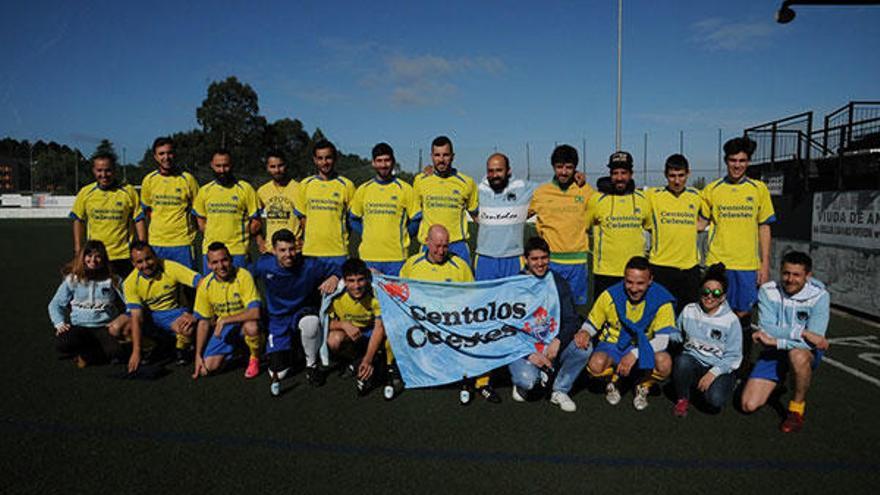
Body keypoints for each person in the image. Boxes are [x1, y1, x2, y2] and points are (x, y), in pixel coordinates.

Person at [399, 224, 500, 404]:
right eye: (437, 245)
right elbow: (400, 295)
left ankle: (480, 382)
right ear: (426, 242)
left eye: (445, 246)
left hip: (453, 325)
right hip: (423, 326)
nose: (441, 251)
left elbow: (472, 301)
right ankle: (395, 372)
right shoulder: (412, 265)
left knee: (485, 334)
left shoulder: (460, 266)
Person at [701, 136, 776, 373]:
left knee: (742, 316)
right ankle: (711, 363)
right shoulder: (712, 189)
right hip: (718, 263)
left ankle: (740, 367)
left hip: (746, 265)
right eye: (733, 160)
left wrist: (764, 265)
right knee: (714, 313)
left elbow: (764, 226)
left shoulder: (758, 189)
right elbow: (700, 223)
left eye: (742, 161)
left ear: (748, 162)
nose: (737, 165)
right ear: (726, 161)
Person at [741, 251, 830, 433]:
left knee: (796, 356)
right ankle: (779, 379)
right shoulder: (768, 291)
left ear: (808, 276)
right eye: (786, 273)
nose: (790, 279)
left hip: (802, 351)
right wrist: (802, 332)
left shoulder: (820, 296)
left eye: (796, 275)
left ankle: (796, 410)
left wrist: (777, 342)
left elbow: (812, 343)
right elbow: (767, 329)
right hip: (776, 349)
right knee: (748, 405)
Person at [508, 237, 593, 412]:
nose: (540, 263)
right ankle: (522, 380)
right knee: (529, 382)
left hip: (551, 342)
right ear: (526, 259)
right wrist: (529, 352)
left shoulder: (558, 282)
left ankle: (560, 389)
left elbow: (572, 319)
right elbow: (509, 328)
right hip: (526, 348)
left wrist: (559, 340)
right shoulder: (515, 285)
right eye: (535, 259)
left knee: (584, 348)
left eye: (544, 258)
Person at [249, 229, 340, 387]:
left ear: (297, 247)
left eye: (291, 249)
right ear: (274, 251)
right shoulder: (264, 265)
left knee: (311, 323)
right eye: (282, 250)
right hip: (277, 319)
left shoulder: (310, 265)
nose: (288, 254)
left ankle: (311, 365)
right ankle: (295, 348)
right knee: (278, 373)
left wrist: (334, 276)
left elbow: (341, 267)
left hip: (302, 312)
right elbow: (244, 276)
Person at [585, 256, 676, 411]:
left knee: (664, 364)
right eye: (629, 282)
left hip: (643, 346)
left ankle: (642, 384)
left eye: (640, 283)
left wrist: (634, 354)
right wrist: (584, 332)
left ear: (650, 280)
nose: (634, 288)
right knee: (595, 365)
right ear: (624, 278)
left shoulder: (662, 300)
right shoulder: (610, 295)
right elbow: (592, 323)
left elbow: (662, 341)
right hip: (613, 345)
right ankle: (615, 379)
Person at [671, 263, 742, 417]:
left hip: (719, 367)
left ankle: (728, 384)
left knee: (714, 402)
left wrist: (714, 373)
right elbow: (677, 334)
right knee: (682, 361)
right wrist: (662, 333)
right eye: (706, 291)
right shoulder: (689, 310)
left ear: (723, 297)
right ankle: (683, 398)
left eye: (716, 293)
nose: (710, 296)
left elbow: (734, 356)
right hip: (694, 361)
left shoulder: (731, 320)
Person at [528, 144, 594, 305]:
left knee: (573, 308)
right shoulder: (541, 192)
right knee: (549, 306)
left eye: (569, 167)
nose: (564, 172)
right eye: (559, 167)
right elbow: (520, 214)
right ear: (553, 167)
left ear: (575, 168)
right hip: (550, 261)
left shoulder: (585, 191)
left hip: (577, 262)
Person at [48, 240, 129, 367]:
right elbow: (56, 304)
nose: (93, 260)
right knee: (62, 344)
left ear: (103, 258)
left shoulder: (113, 279)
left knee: (117, 354)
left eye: (97, 256)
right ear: (83, 257)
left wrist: (123, 319)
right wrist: (60, 323)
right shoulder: (73, 279)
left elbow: (130, 302)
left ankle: (87, 354)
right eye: (89, 256)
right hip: (79, 326)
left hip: (105, 327)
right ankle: (93, 351)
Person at [123, 241, 202, 372]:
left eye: (148, 259)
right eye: (139, 262)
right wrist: (136, 351)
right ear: (133, 264)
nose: (145, 265)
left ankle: (181, 348)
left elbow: (201, 282)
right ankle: (153, 346)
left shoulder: (169, 267)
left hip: (174, 313)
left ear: (155, 256)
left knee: (187, 328)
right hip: (150, 316)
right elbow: (136, 317)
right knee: (117, 328)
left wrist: (196, 313)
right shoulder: (130, 282)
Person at [645, 154, 707, 314]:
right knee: (660, 314)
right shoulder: (653, 195)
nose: (677, 181)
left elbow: (712, 211)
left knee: (689, 315)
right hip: (661, 266)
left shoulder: (697, 196)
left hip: (689, 268)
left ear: (688, 174)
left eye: (681, 175)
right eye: (672, 176)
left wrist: (702, 224)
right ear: (665, 175)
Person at [192, 242, 262, 379]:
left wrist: (224, 320)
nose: (221, 266)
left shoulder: (243, 276)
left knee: (252, 328)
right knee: (207, 369)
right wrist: (198, 355)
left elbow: (255, 312)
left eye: (224, 260)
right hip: (225, 328)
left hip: (244, 323)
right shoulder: (205, 285)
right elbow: (203, 322)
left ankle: (255, 356)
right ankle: (239, 349)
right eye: (215, 262)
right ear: (209, 265)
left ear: (230, 259)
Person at [586, 151, 651, 299]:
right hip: (605, 272)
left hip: (635, 273)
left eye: (624, 173)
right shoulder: (597, 200)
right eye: (615, 173)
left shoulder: (643, 199)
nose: (619, 178)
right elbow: (584, 226)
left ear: (631, 174)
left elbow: (650, 226)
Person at [70, 153, 145, 276]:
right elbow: (78, 220)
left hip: (123, 255)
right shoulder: (86, 192)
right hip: (96, 256)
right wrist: (78, 249)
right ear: (94, 171)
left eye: (108, 170)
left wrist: (142, 246)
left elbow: (139, 219)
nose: (104, 175)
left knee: (125, 294)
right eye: (99, 170)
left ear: (115, 170)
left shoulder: (128, 191)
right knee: (98, 294)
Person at [349, 143, 417, 276]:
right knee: (370, 296)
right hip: (368, 257)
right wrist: (366, 233)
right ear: (373, 163)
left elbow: (416, 219)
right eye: (379, 161)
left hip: (397, 258)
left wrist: (404, 235)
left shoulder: (405, 189)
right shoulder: (363, 189)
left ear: (393, 162)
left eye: (387, 160)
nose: (383, 165)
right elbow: (353, 218)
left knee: (396, 296)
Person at [411, 136, 478, 265]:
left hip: (457, 246)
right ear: (431, 156)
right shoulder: (420, 181)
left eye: (445, 155)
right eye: (437, 155)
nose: (441, 160)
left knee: (463, 285)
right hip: (429, 246)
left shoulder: (467, 183)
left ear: (452, 156)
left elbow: (476, 216)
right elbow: (415, 216)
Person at [192, 149, 261, 273]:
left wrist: (239, 237)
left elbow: (255, 222)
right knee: (212, 290)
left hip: (238, 252)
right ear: (212, 165)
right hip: (211, 252)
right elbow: (201, 222)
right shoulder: (205, 191)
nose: (222, 170)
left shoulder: (245, 189)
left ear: (232, 164)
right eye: (218, 166)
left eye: (226, 165)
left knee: (240, 290)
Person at [326, 258, 387, 395]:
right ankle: (354, 360)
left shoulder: (375, 294)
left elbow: (379, 328)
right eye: (351, 281)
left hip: (372, 333)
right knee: (333, 339)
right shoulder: (336, 296)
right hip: (352, 334)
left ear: (366, 279)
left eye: (360, 280)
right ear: (345, 281)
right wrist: (343, 324)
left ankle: (365, 360)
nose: (357, 286)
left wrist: (368, 359)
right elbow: (324, 324)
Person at [295, 139, 356, 272]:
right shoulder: (305, 185)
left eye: (328, 158)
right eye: (320, 158)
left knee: (338, 292)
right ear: (315, 160)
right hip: (311, 252)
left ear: (335, 159)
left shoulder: (347, 185)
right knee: (312, 292)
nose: (324, 162)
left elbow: (351, 220)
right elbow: (302, 219)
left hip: (338, 252)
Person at [140, 136, 200, 269]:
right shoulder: (149, 180)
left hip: (183, 243)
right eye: (161, 154)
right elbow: (148, 211)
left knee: (189, 287)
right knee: (160, 286)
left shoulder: (188, 179)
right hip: (157, 243)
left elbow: (199, 210)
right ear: (155, 156)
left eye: (169, 153)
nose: (166, 157)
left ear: (174, 154)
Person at [473, 153, 535, 280]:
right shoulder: (478, 190)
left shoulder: (523, 187)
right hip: (485, 259)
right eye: (490, 171)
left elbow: (549, 188)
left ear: (508, 171)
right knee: (485, 299)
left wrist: (576, 176)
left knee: (514, 299)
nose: (494, 175)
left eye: (499, 170)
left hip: (514, 258)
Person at [255, 150, 300, 254]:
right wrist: (260, 241)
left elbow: (306, 219)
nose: (277, 170)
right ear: (267, 168)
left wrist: (305, 240)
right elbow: (256, 220)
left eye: (280, 166)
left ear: (286, 165)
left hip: (293, 250)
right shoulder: (262, 191)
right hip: (270, 250)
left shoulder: (299, 188)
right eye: (273, 167)